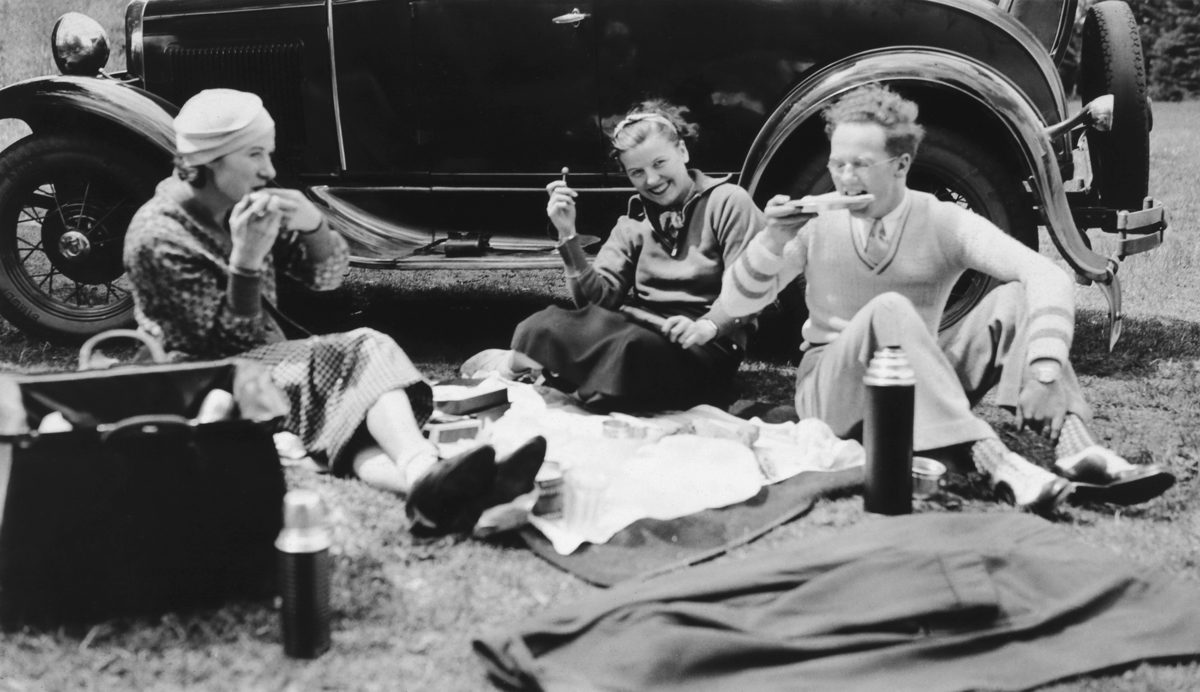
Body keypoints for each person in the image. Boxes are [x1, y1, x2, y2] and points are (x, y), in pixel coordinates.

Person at [685, 84, 1174, 514]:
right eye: (837, 163)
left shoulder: (941, 221)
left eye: (860, 164)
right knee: (890, 309)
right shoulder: (809, 221)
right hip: (829, 392)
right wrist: (770, 240)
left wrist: (1044, 365)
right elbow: (737, 303)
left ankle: (1076, 447)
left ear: (901, 165)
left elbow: (1046, 275)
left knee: (1012, 300)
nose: (844, 177)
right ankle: (994, 460)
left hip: (916, 376)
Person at [124, 88, 544, 534]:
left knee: (356, 420)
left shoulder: (241, 205)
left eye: (268, 153)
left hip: (259, 364)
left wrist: (313, 226)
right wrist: (245, 262)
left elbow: (328, 277)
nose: (268, 170)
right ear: (210, 162)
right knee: (366, 347)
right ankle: (431, 471)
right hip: (205, 381)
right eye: (254, 155)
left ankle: (441, 490)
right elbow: (229, 342)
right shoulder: (157, 236)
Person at [510, 100, 765, 412]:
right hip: (639, 333)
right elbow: (595, 302)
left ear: (682, 152)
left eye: (660, 163)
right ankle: (580, 379)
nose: (652, 181)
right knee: (539, 325)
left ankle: (568, 377)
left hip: (704, 345)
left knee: (628, 352)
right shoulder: (631, 222)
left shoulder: (729, 202)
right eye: (637, 173)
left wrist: (706, 326)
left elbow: (752, 285)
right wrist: (568, 236)